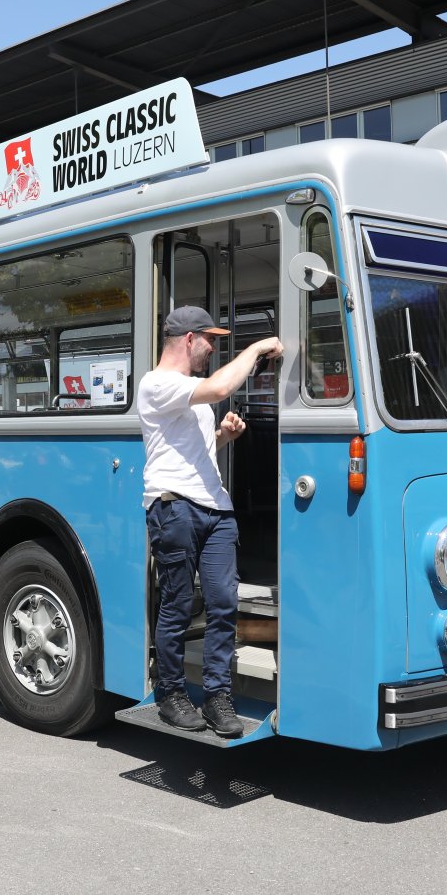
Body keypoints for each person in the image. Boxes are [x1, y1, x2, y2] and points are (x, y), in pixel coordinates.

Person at [140, 305, 283, 737]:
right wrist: (255, 349)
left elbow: (191, 451)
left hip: (215, 509)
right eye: (210, 340)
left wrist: (223, 436)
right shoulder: (156, 383)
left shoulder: (190, 392)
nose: (213, 348)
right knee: (179, 604)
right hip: (174, 506)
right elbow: (221, 386)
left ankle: (217, 696)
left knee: (223, 603)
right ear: (189, 339)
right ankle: (170, 693)